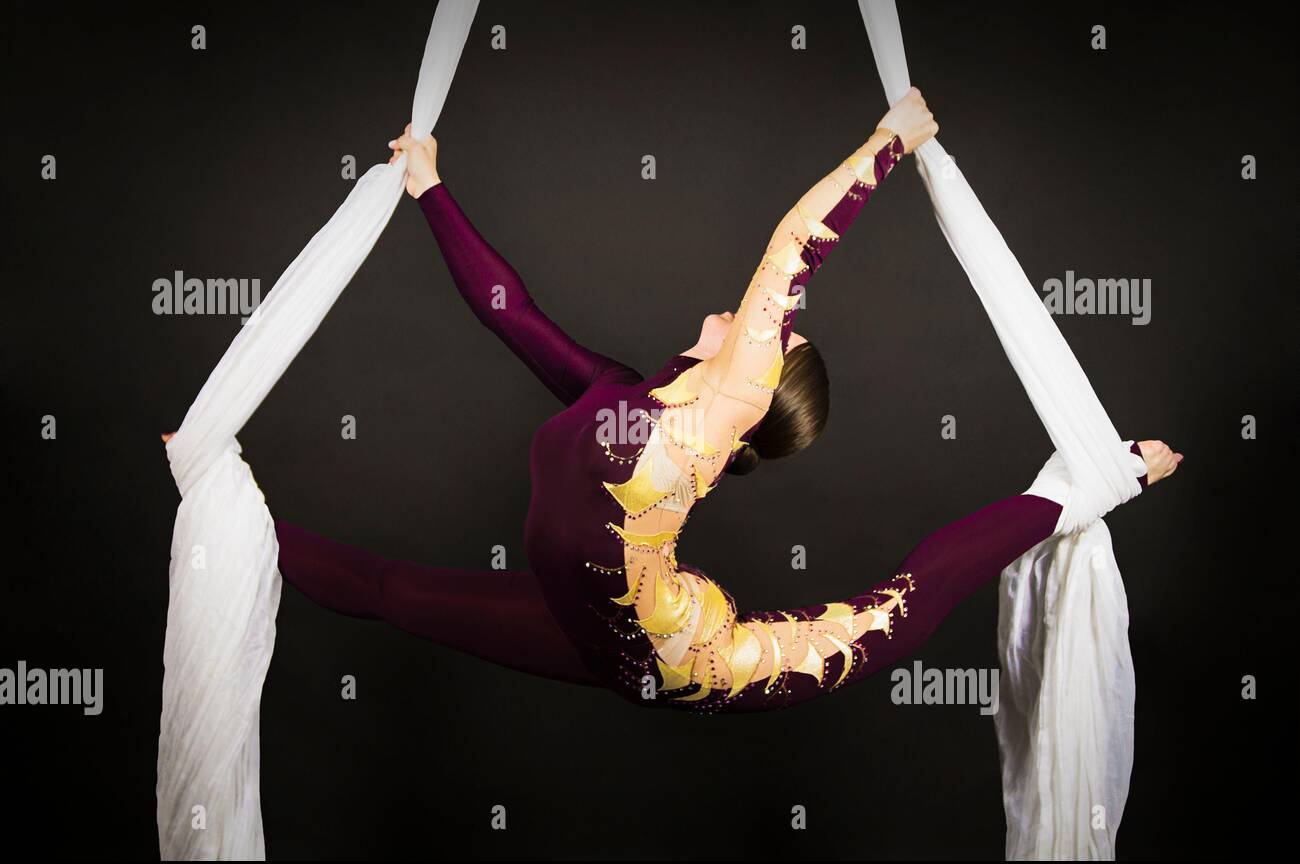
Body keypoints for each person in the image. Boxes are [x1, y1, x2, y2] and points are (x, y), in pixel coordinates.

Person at [166, 89, 1180, 712]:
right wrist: (430, 188)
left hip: (682, 653)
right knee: (393, 595)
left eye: (770, 338)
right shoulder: (618, 398)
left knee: (893, 620)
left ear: (759, 378)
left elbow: (794, 244)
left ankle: (1092, 484)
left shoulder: (723, 404)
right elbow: (507, 311)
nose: (751, 328)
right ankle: (227, 511)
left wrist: (890, 142)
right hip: (593, 638)